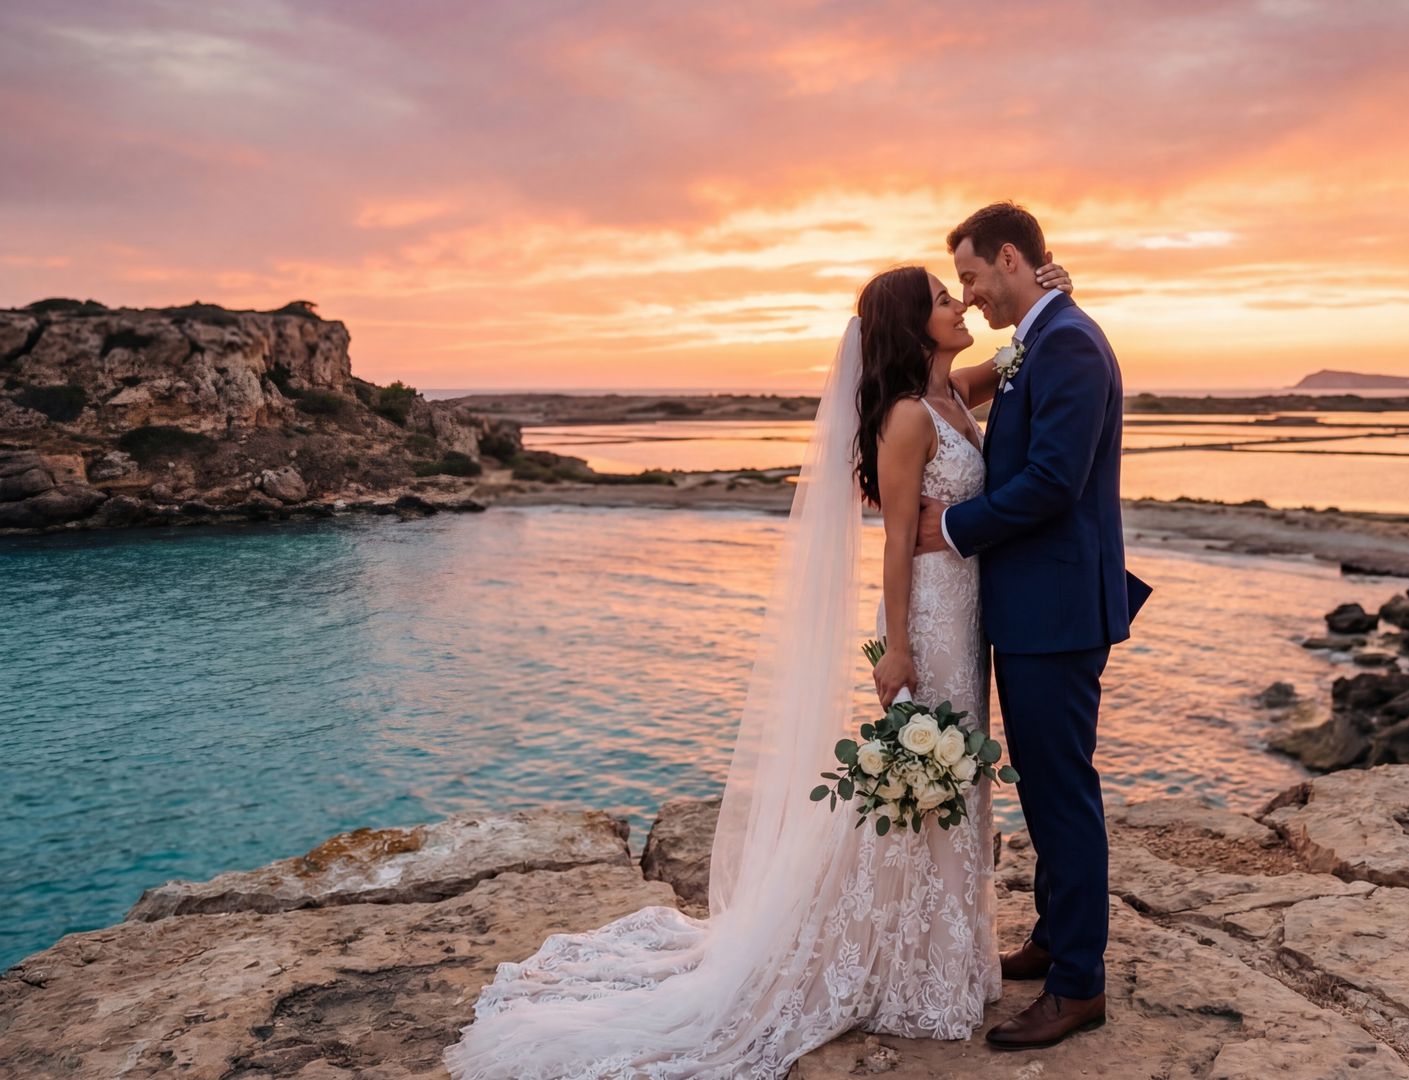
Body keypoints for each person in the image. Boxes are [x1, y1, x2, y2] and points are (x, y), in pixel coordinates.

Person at [442, 254, 1079, 1079]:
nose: (961, 305)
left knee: (949, 776)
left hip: (968, 614)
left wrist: (1049, 296)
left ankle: (938, 950)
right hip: (927, 612)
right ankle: (897, 959)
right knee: (925, 775)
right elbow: (891, 542)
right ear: (907, 325)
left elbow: (1015, 354)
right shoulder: (907, 417)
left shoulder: (955, 394)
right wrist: (896, 645)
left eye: (959, 292)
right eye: (941, 300)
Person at [915, 201, 1149, 1051]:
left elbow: (1053, 481)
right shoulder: (1040, 340)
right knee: (1046, 782)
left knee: (1061, 791)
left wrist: (947, 528)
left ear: (1011, 258)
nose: (970, 298)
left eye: (973, 277)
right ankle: (1055, 939)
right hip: (1032, 607)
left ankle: (1079, 983)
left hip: (1056, 610)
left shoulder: (1072, 345)